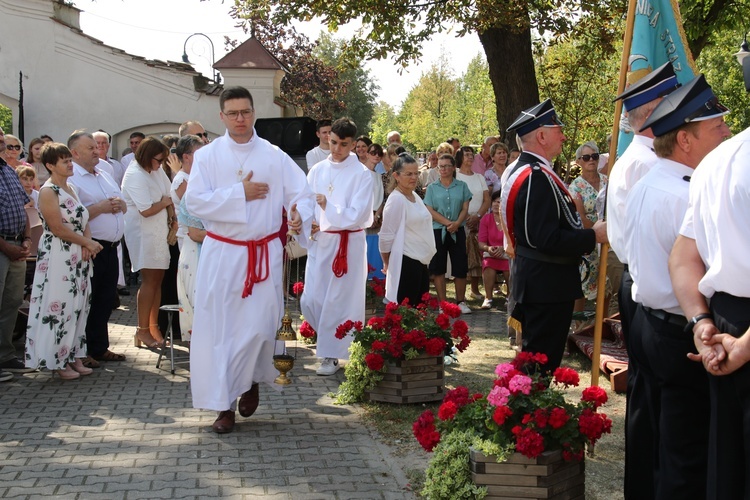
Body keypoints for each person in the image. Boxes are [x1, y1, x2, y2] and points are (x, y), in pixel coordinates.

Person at [622, 74, 730, 499]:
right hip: (677, 328)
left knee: (661, 442)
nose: (726, 133)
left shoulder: (651, 180)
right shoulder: (687, 193)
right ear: (685, 140)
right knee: (687, 453)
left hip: (650, 321)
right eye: (717, 127)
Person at [185, 86, 314, 434]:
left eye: (245, 112)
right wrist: (237, 194)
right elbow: (194, 202)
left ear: (253, 113)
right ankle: (223, 406)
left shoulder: (273, 155)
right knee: (221, 331)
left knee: (259, 327)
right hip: (223, 255)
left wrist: (299, 215)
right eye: (233, 113)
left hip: (262, 255)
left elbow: (300, 193)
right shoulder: (208, 157)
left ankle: (251, 381)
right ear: (222, 116)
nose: (240, 119)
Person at [668, 53, 750, 499]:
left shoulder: (718, 160)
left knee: (727, 470)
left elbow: (683, 256)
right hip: (733, 336)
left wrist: (701, 324)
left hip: (724, 324)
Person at [606, 62, 680, 500]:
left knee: (646, 398)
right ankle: (647, 484)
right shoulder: (643, 163)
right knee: (649, 400)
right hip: (645, 284)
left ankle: (646, 483)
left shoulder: (641, 158)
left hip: (641, 282)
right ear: (653, 112)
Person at [501, 99, 606, 373]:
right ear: (542, 135)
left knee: (538, 365)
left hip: (544, 282)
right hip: (546, 285)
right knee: (539, 367)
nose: (563, 135)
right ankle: (528, 415)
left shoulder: (534, 171)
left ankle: (531, 413)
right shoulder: (536, 177)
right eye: (558, 128)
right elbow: (545, 239)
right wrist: (591, 236)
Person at [301, 117, 373, 376]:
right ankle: (327, 340)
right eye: (333, 142)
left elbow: (358, 213)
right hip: (321, 242)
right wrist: (304, 221)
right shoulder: (317, 170)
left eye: (343, 144)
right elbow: (304, 203)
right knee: (311, 298)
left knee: (338, 301)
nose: (337, 149)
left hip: (348, 242)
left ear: (353, 144)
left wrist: (327, 207)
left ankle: (331, 355)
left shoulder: (363, 175)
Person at [25, 143, 103, 380]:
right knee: (59, 306)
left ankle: (74, 354)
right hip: (59, 254)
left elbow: (84, 218)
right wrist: (85, 243)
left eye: (70, 160)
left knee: (78, 306)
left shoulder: (71, 188)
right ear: (50, 165)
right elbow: (57, 227)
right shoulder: (49, 191)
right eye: (64, 161)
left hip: (78, 255)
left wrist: (87, 241)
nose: (70, 164)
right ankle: (57, 360)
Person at [68, 131, 127, 367]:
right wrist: (101, 208)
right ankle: (84, 350)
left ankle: (100, 347)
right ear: (75, 152)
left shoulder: (104, 174)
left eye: (96, 147)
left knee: (105, 299)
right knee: (88, 301)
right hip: (91, 248)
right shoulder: (72, 178)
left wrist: (120, 205)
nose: (96, 151)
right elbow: (72, 217)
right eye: (90, 148)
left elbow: (123, 203)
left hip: (111, 248)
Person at [121, 137, 173, 349]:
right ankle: (142, 330)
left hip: (158, 231)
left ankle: (153, 326)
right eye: (158, 160)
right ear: (147, 156)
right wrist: (164, 203)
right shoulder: (135, 174)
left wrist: (166, 205)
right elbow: (146, 209)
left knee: (157, 279)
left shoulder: (155, 170)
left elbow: (168, 193)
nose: (161, 164)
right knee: (149, 280)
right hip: (143, 233)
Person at [379, 153, 436, 305]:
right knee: (408, 309)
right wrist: (387, 263)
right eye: (408, 174)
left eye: (416, 173)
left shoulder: (414, 196)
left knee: (420, 308)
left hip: (421, 260)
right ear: (396, 176)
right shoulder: (396, 199)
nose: (414, 177)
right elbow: (385, 237)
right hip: (406, 260)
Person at [0, 127, 33, 382]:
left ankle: (6, 355)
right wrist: (6, 246)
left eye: (4, 139)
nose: (3, 144)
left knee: (11, 303)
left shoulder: (9, 171)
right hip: (2, 248)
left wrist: (27, 238)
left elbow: (22, 208)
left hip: (16, 246)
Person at [424, 154, 472, 314]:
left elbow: (465, 207)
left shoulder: (462, 186)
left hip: (458, 230)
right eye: (440, 166)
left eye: (446, 166)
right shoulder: (432, 188)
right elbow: (429, 209)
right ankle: (442, 303)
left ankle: (461, 301)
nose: (443, 169)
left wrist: (457, 223)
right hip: (438, 230)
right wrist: (448, 223)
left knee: (460, 265)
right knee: (438, 267)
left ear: (453, 168)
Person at [569, 141, 609, 317]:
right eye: (586, 157)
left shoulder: (608, 181)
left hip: (609, 239)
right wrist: (598, 231)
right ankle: (578, 327)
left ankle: (603, 324)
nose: (591, 160)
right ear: (579, 161)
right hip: (588, 240)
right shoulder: (575, 187)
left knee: (606, 284)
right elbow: (581, 218)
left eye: (594, 156)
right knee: (582, 283)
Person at [173, 135, 206, 342]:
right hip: (194, 248)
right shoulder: (187, 184)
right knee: (197, 303)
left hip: (199, 247)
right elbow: (195, 232)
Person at [456, 146, 490, 301]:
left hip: (477, 221)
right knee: (461, 254)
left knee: (475, 253)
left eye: (471, 155)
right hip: (460, 220)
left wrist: (477, 216)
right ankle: (459, 293)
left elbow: (487, 199)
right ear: (460, 157)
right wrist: (464, 216)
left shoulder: (479, 177)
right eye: (466, 155)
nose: (470, 157)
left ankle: (475, 289)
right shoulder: (455, 175)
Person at [478, 190, 510, 310]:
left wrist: (503, 248)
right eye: (495, 202)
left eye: (500, 202)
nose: (497, 204)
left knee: (509, 267)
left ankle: (509, 298)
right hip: (490, 254)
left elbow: (514, 240)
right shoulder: (486, 219)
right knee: (488, 264)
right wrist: (489, 248)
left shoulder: (509, 220)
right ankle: (488, 298)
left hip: (507, 253)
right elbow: (481, 243)